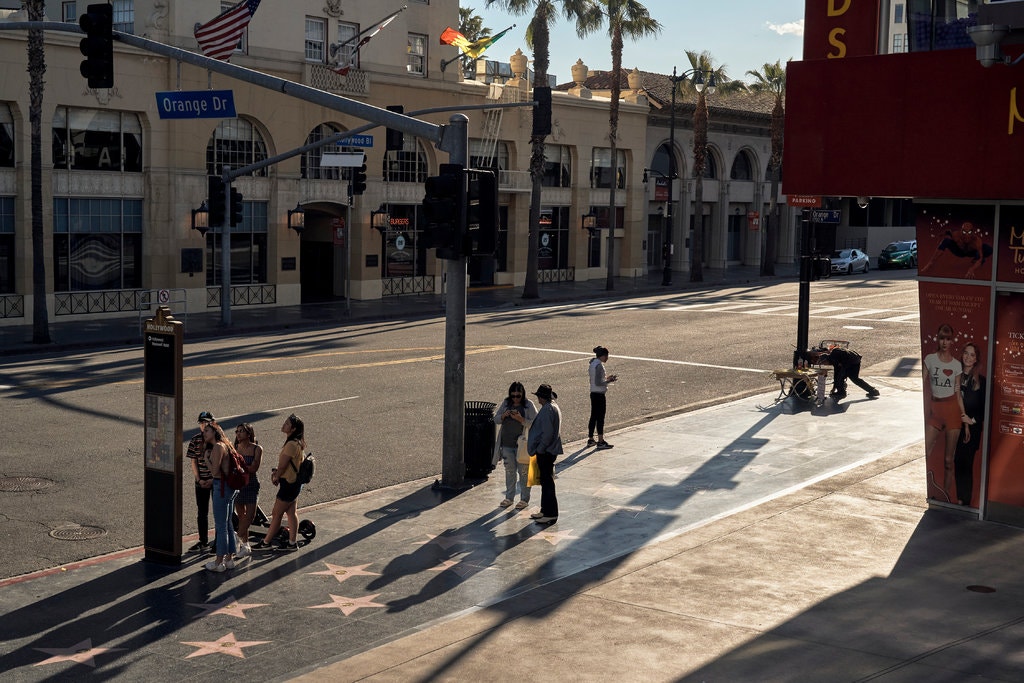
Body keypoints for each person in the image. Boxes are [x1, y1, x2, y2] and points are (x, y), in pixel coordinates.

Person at [923, 324, 964, 502]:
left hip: (952, 410)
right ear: (937, 339)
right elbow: (922, 383)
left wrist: (964, 416)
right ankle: (932, 489)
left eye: (948, 338)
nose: (945, 342)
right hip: (935, 408)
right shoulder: (930, 359)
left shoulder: (956, 364)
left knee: (949, 460)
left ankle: (946, 497)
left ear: (952, 340)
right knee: (927, 448)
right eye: (942, 338)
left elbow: (957, 392)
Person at [253, 414, 305, 552]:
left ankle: (266, 542)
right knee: (291, 513)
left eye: (287, 423)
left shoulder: (291, 445)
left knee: (276, 514)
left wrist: (276, 476)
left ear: (293, 429)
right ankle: (292, 543)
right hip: (294, 483)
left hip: (288, 484)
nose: (284, 424)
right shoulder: (297, 443)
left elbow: (283, 465)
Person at [492, 381, 538, 510]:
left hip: (522, 445)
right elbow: (495, 419)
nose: (515, 399)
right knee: (510, 471)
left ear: (522, 395)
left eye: (518, 396)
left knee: (523, 472)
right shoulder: (506, 403)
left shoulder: (529, 405)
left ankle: (524, 499)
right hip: (507, 444)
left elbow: (535, 424)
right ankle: (509, 497)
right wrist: (503, 416)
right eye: (513, 396)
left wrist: (521, 420)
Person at [203, 422, 240, 572]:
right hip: (231, 488)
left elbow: (214, 471)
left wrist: (206, 458)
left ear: (214, 432)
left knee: (221, 526)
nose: (204, 433)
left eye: (207, 430)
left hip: (221, 487)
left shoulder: (218, 447)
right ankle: (230, 559)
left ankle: (219, 562)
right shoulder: (227, 444)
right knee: (228, 524)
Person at [527, 384, 563, 525]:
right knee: (545, 481)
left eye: (538, 397)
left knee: (547, 482)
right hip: (548, 450)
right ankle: (545, 510)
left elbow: (547, 433)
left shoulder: (548, 410)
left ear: (541, 397)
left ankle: (550, 513)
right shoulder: (551, 406)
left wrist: (541, 449)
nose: (538, 400)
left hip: (546, 451)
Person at [955, 342, 986, 506]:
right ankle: (960, 497)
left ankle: (965, 500)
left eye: (972, 355)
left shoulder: (981, 381)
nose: (968, 357)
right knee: (957, 462)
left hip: (971, 430)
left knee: (966, 463)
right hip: (956, 427)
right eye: (966, 353)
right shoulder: (956, 376)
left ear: (976, 359)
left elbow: (984, 409)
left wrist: (971, 420)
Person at [185, 410, 215, 553]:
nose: (204, 425)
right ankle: (203, 541)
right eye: (201, 423)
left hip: (215, 481)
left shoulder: (217, 441)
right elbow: (193, 461)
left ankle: (221, 540)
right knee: (202, 512)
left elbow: (221, 463)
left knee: (220, 512)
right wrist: (199, 479)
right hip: (201, 481)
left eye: (206, 422)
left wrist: (212, 479)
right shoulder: (195, 440)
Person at [232, 422, 263, 556]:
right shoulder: (234, 448)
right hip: (238, 484)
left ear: (249, 433)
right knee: (241, 516)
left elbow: (253, 469)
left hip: (251, 484)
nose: (238, 434)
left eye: (241, 431)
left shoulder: (257, 448)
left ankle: (237, 537)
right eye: (237, 431)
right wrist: (243, 468)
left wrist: (240, 466)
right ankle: (246, 545)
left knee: (250, 516)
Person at [808, 344, 879, 400]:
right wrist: (834, 387)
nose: (825, 365)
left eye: (824, 364)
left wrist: (835, 386)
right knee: (847, 377)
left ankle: (841, 392)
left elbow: (838, 372)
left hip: (852, 362)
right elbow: (837, 371)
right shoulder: (833, 356)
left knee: (845, 377)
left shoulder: (834, 357)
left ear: (825, 360)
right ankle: (872, 391)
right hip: (854, 360)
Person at [587, 346, 618, 449]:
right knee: (600, 418)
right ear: (603, 356)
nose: (607, 358)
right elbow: (599, 382)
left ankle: (591, 439)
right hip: (599, 394)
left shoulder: (592, 363)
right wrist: (609, 380)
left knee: (593, 416)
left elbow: (596, 379)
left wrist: (606, 378)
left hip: (593, 392)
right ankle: (600, 441)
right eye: (607, 356)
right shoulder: (599, 366)